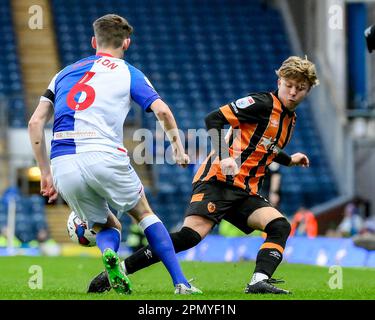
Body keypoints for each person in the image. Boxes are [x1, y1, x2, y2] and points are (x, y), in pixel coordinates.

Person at [88, 55, 319, 294]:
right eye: (288, 85)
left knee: (279, 225)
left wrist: (289, 159)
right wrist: (223, 155)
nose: (293, 92)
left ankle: (258, 281)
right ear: (279, 81)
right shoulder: (262, 103)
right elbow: (214, 118)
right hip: (217, 180)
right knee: (188, 237)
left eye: (300, 88)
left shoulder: (289, 119)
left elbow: (267, 145)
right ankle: (118, 271)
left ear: (308, 90)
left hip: (245, 190)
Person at [28, 14, 201, 295]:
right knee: (145, 215)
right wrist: (178, 148)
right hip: (102, 152)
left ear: (94, 41)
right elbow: (163, 111)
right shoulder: (128, 72)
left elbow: (35, 123)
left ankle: (109, 253)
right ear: (127, 43)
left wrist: (45, 174)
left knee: (104, 223)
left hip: (63, 161)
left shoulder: (62, 73)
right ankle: (181, 283)